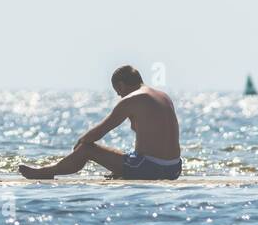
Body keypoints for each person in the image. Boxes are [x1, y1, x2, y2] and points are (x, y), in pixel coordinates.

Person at [19, 65, 182, 180]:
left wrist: (81, 143)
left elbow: (100, 131)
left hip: (151, 168)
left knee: (86, 149)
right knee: (126, 154)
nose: (119, 96)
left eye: (118, 92)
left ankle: (47, 172)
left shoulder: (131, 99)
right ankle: (123, 171)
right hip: (174, 168)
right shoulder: (163, 96)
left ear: (121, 84)